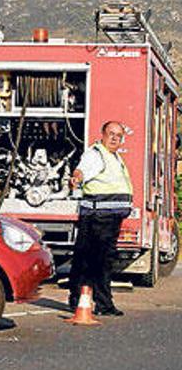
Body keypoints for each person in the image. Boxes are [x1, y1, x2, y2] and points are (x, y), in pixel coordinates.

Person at [68, 121, 133, 316]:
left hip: (108, 218)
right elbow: (82, 170)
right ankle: (99, 303)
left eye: (118, 136)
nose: (114, 138)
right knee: (96, 261)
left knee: (93, 260)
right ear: (102, 134)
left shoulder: (114, 157)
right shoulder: (95, 154)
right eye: (111, 134)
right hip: (98, 218)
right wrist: (77, 178)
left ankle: (84, 299)